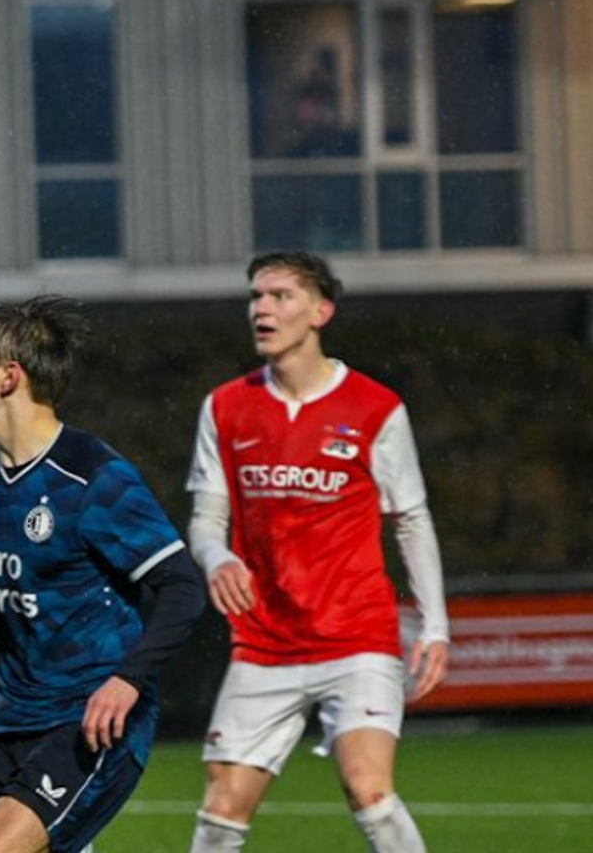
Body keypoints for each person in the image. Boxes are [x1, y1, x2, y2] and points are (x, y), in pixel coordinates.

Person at [0, 297, 208, 853]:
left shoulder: (93, 478)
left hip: (86, 724)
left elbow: (183, 588)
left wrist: (128, 680)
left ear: (10, 376)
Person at [184, 253, 450, 853]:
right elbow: (206, 520)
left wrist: (435, 624)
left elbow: (411, 519)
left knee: (368, 788)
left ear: (320, 312)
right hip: (264, 640)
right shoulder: (225, 407)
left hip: (356, 636)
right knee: (222, 808)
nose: (262, 309)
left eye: (280, 296)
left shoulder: (375, 408)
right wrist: (217, 558)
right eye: (256, 296)